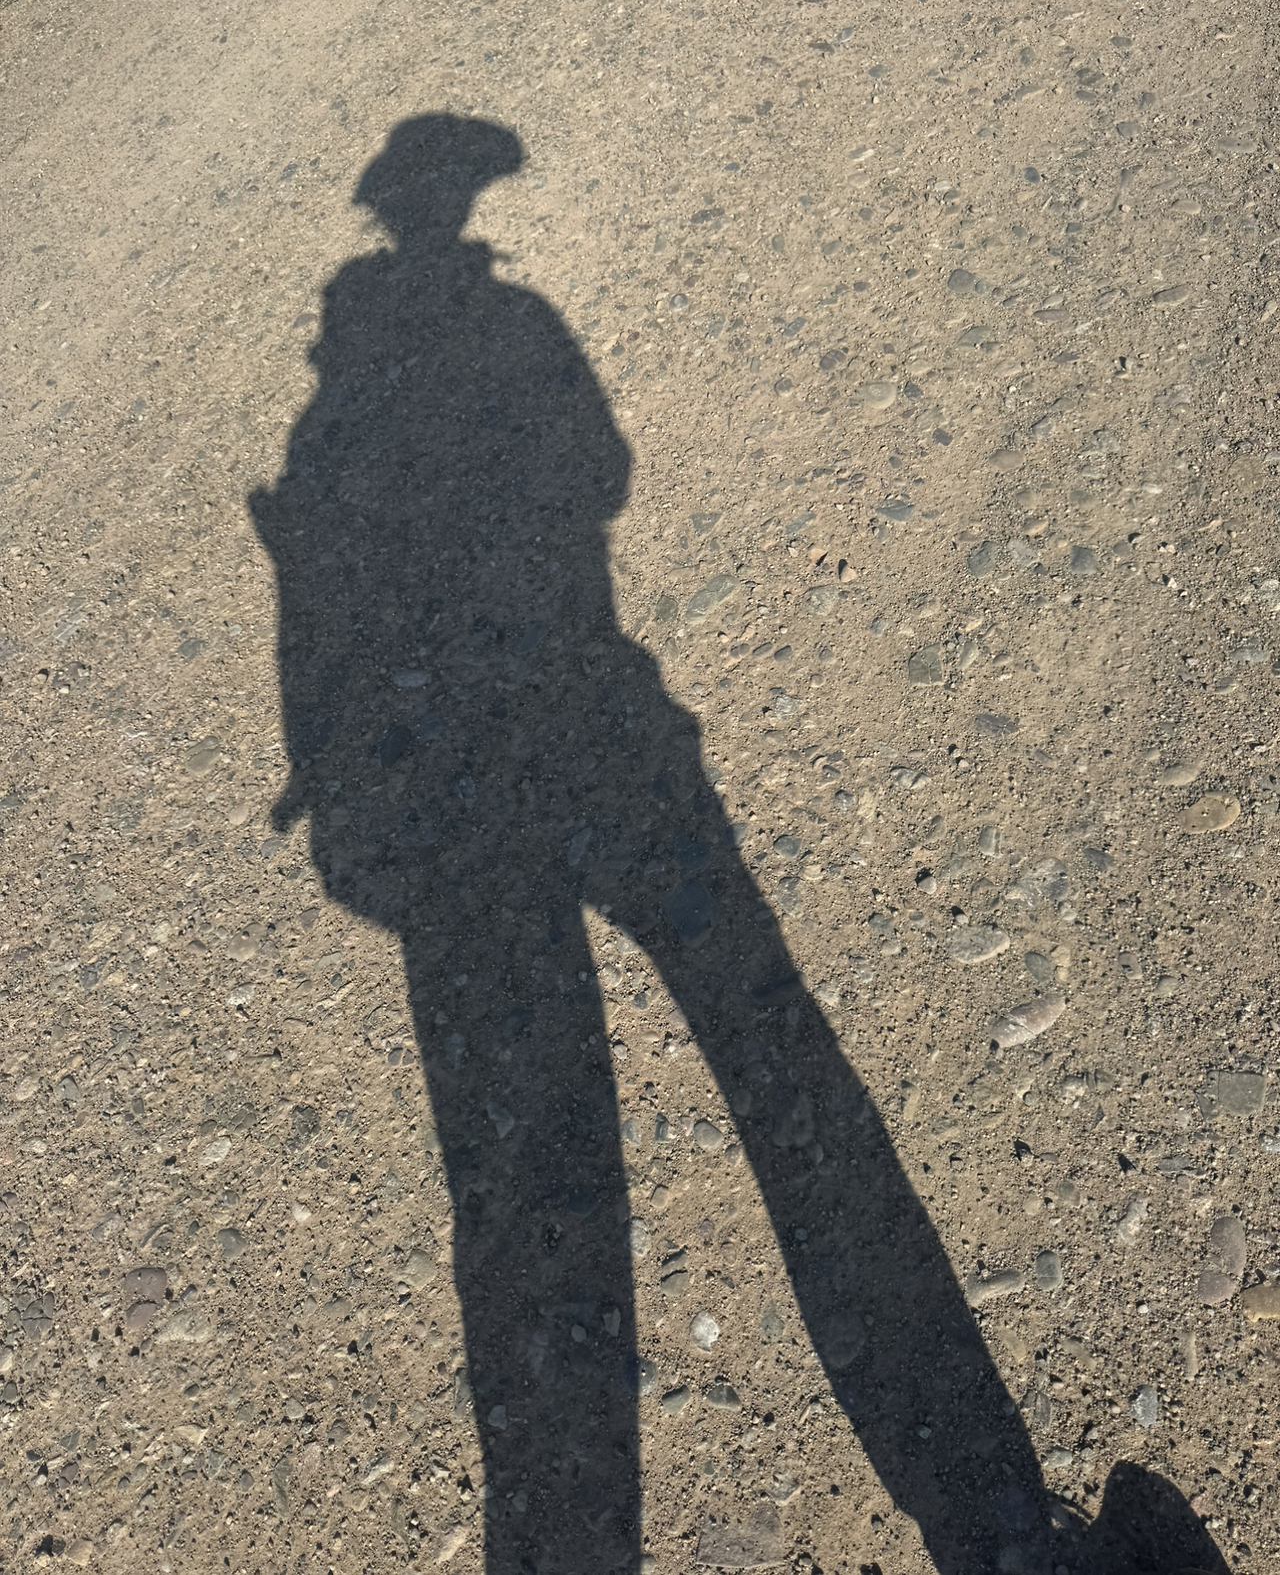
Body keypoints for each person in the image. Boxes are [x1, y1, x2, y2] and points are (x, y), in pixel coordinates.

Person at [251, 115, 1224, 1575]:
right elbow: (600, 470)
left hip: (475, 783)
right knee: (776, 1060)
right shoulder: (483, 333)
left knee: (557, 1159)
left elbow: (553, 490)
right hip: (594, 717)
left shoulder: (344, 400)